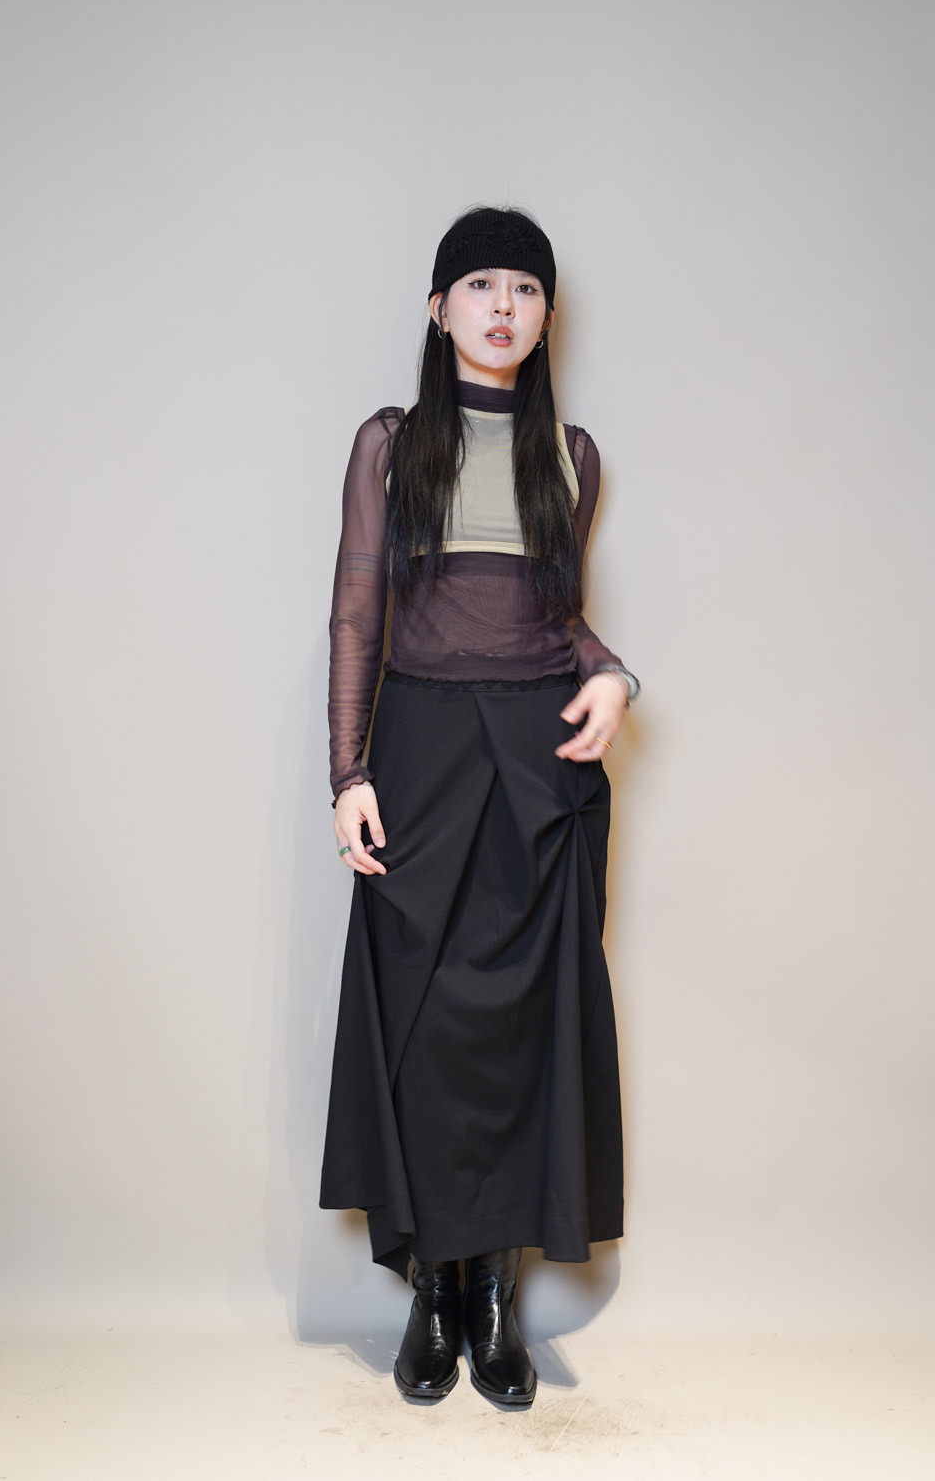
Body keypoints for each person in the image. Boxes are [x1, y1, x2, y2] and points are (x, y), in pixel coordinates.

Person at [319, 205, 640, 1407]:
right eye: (480, 284)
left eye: (525, 288)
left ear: (546, 316)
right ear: (439, 308)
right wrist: (348, 773)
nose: (503, 306)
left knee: (519, 1032)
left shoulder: (574, 455)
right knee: (424, 1024)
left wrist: (614, 675)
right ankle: (432, 1289)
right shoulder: (390, 444)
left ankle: (494, 1295)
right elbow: (358, 612)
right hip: (418, 757)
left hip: (540, 765)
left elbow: (557, 623)